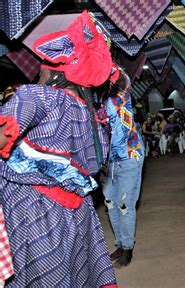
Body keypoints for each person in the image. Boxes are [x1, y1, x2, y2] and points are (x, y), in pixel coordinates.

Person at [0, 11, 117, 286]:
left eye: (41, 69)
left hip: (33, 215)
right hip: (76, 216)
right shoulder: (93, 118)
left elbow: (3, 134)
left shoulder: (37, 96)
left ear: (55, 72)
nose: (36, 73)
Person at [102, 66, 145, 267]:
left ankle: (127, 248)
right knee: (110, 199)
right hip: (113, 159)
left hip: (129, 154)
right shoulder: (103, 99)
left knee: (125, 204)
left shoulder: (119, 97)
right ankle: (120, 243)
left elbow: (118, 136)